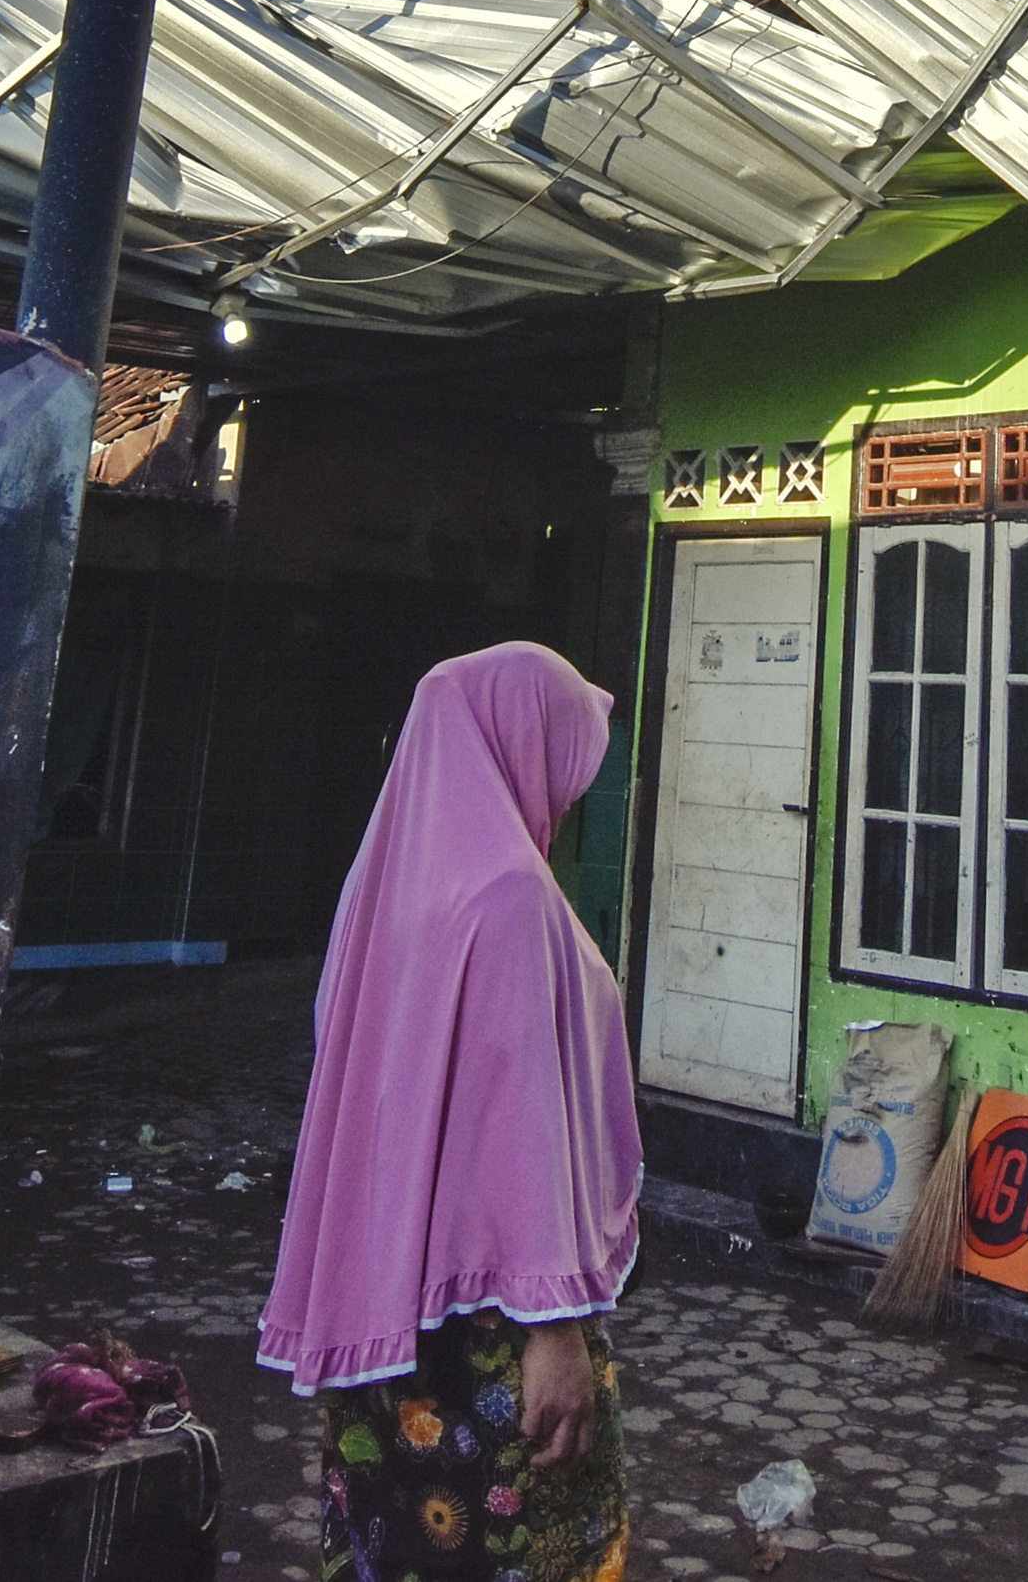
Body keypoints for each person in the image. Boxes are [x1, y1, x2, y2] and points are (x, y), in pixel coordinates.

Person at [259, 642, 641, 1582]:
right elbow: (524, 1123)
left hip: (385, 1311)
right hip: (497, 1328)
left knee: (397, 1544)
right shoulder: (510, 898)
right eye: (564, 758)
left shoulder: (378, 893)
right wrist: (553, 1332)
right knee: (521, 1548)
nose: (569, 791)